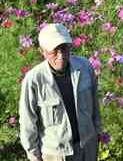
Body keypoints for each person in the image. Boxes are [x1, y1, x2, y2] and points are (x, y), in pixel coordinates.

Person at [19, 23, 102, 161]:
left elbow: (95, 104)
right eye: (54, 50)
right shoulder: (34, 80)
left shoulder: (84, 67)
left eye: (64, 48)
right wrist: (34, 156)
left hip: (87, 147)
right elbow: (28, 123)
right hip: (56, 154)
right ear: (42, 51)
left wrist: (97, 132)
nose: (61, 55)